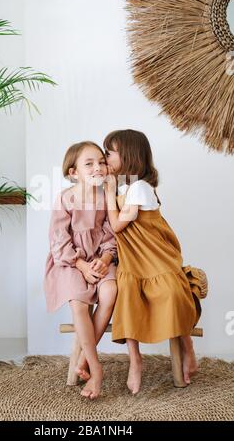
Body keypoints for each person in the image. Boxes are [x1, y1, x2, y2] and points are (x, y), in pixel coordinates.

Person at [103, 129, 207, 394]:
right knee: (127, 297)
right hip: (133, 262)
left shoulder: (139, 188)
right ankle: (135, 360)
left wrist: (107, 193)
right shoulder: (124, 187)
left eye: (109, 152)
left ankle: (188, 348)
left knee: (172, 293)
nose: (106, 157)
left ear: (128, 155)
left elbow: (116, 225)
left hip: (156, 258)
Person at [44, 141, 117, 399]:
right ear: (74, 172)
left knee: (110, 292)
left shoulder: (106, 197)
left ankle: (85, 359)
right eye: (89, 164)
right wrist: (81, 265)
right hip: (70, 262)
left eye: (101, 161)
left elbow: (111, 234)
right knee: (79, 303)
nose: (98, 167)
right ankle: (96, 368)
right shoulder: (65, 199)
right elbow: (58, 238)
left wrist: (106, 259)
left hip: (100, 259)